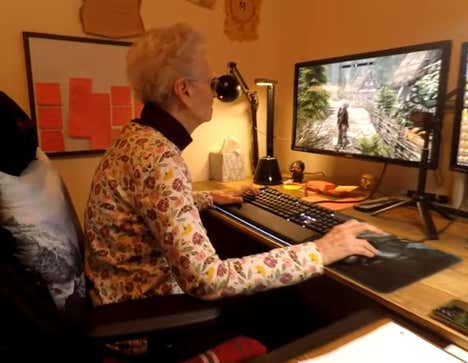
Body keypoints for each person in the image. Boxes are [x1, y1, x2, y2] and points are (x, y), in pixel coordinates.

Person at [84, 22, 382, 355]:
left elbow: (148, 203)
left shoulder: (138, 138)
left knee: (279, 292)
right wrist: (321, 251)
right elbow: (207, 279)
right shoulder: (159, 159)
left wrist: (207, 197)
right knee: (289, 308)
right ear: (183, 90)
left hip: (118, 296)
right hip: (143, 323)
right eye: (210, 83)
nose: (214, 92)